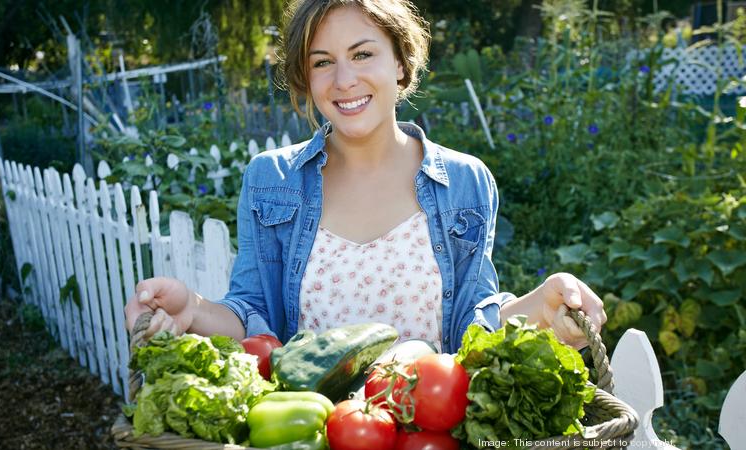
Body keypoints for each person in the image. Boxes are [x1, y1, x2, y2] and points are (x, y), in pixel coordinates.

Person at [124, 0, 606, 353]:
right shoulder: (271, 179)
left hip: (428, 434)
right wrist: (193, 310)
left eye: (362, 54)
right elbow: (254, 317)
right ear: (306, 79)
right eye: (322, 62)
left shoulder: (465, 181)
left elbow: (471, 325)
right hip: (311, 432)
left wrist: (539, 307)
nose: (344, 80)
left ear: (399, 62)